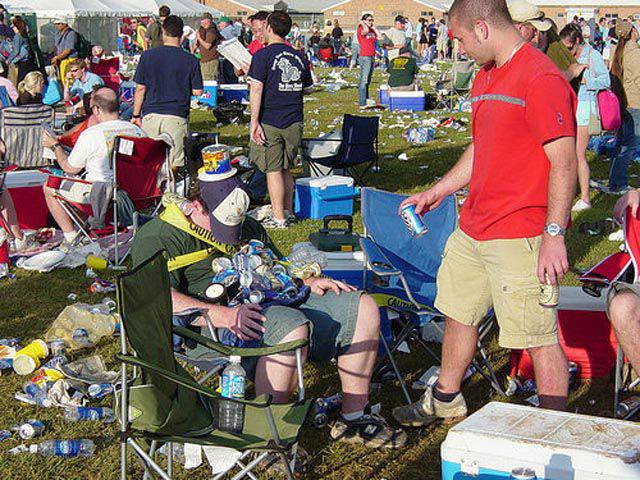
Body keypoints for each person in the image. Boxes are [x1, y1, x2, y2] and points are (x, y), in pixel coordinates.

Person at [393, 0, 578, 428]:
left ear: (481, 27)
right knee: (459, 312)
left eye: (459, 39)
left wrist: (554, 234)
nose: (458, 49)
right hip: (473, 226)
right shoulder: (486, 76)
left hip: (521, 234)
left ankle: (555, 430)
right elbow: (482, 147)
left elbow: (564, 161)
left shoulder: (541, 77)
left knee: (538, 336)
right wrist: (438, 189)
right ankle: (445, 398)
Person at [130, 172, 407, 449]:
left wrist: (306, 281)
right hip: (214, 324)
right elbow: (155, 298)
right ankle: (269, 440)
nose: (232, 231)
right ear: (197, 205)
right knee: (290, 327)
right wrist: (223, 315)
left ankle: (353, 418)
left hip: (272, 298)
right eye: (221, 223)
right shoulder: (158, 236)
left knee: (362, 307)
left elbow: (276, 268)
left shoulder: (247, 226)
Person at [41, 87, 146, 248]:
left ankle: (71, 238)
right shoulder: (138, 131)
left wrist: (55, 146)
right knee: (82, 183)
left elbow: (70, 168)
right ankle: (82, 231)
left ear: (97, 109)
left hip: (105, 195)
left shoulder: (91, 134)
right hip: (137, 193)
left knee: (49, 187)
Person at [248, 11, 312, 229]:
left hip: (271, 118)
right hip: (294, 118)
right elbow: (308, 88)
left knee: (273, 169)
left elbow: (256, 88)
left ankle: (278, 218)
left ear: (269, 28)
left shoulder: (262, 56)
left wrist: (253, 121)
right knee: (286, 168)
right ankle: (288, 211)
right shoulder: (299, 55)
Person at [132, 15, 203, 170]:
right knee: (175, 163)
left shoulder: (147, 56)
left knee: (149, 161)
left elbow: (140, 89)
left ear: (163, 32)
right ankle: (171, 191)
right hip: (176, 115)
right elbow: (198, 91)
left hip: (151, 114)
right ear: (181, 34)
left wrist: (136, 115)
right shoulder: (190, 59)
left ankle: (152, 192)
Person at [560, 24, 610, 212]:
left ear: (578, 41)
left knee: (579, 155)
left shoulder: (593, 55)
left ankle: (586, 198)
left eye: (570, 47)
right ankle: (573, 190)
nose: (569, 52)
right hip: (572, 108)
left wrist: (586, 81)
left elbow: (606, 80)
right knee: (571, 154)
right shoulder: (571, 56)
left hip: (586, 109)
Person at [608, 21, 640, 194]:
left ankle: (615, 180)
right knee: (629, 145)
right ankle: (618, 182)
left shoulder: (618, 51)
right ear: (632, 32)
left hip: (623, 103)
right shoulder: (634, 53)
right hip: (634, 103)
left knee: (621, 143)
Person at [356, 14, 378, 108]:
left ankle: (366, 99)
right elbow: (365, 31)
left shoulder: (372, 30)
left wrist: (375, 28)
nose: (371, 22)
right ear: (364, 21)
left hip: (372, 56)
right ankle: (362, 102)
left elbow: (380, 37)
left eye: (372, 20)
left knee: (368, 80)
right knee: (363, 80)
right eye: (369, 20)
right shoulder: (361, 29)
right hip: (365, 57)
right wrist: (362, 23)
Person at [6, 16, 37, 85]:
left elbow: (16, 51)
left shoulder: (18, 36)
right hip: (29, 62)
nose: (12, 27)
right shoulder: (25, 34)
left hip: (22, 64)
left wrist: (8, 60)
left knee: (21, 84)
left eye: (13, 26)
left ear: (17, 26)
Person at [51, 18, 77, 88]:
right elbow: (57, 46)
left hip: (70, 60)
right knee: (63, 79)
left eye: (58, 24)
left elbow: (68, 50)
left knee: (69, 80)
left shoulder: (71, 33)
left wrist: (57, 57)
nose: (56, 25)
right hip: (61, 60)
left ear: (64, 24)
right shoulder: (58, 33)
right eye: (56, 24)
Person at [195, 13, 221, 81]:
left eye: (203, 20)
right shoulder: (203, 30)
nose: (201, 22)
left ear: (208, 20)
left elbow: (207, 46)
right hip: (204, 60)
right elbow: (196, 45)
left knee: (209, 80)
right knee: (204, 80)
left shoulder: (211, 31)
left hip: (210, 60)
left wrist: (199, 38)